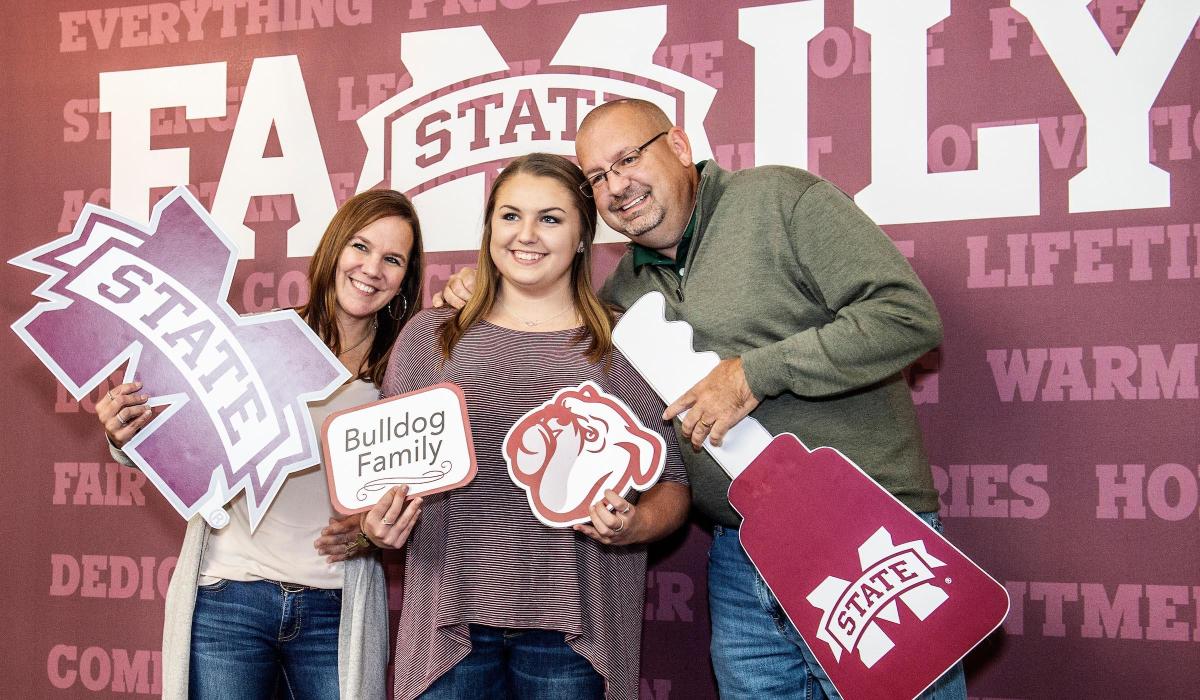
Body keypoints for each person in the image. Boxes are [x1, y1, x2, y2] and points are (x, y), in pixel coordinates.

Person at [435, 100, 965, 699]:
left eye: (627, 159)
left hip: (867, 533)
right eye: (597, 177)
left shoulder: (778, 200)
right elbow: (555, 331)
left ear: (680, 147)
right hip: (740, 555)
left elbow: (906, 316)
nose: (616, 186)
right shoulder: (624, 293)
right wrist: (482, 288)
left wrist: (754, 374)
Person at [369, 153, 689, 700]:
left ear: (583, 237)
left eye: (550, 219)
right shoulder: (431, 336)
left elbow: (673, 484)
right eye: (511, 215)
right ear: (489, 227)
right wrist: (376, 525)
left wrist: (633, 524)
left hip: (574, 636)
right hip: (450, 628)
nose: (526, 235)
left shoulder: (622, 346)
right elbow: (381, 474)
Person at [98, 189, 427, 700]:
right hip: (229, 598)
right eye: (361, 247)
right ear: (334, 249)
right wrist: (124, 432)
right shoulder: (260, 339)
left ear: (406, 278)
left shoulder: (404, 374)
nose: (371, 269)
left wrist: (369, 536)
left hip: (334, 608)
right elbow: (180, 432)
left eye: (393, 259)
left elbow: (417, 495)